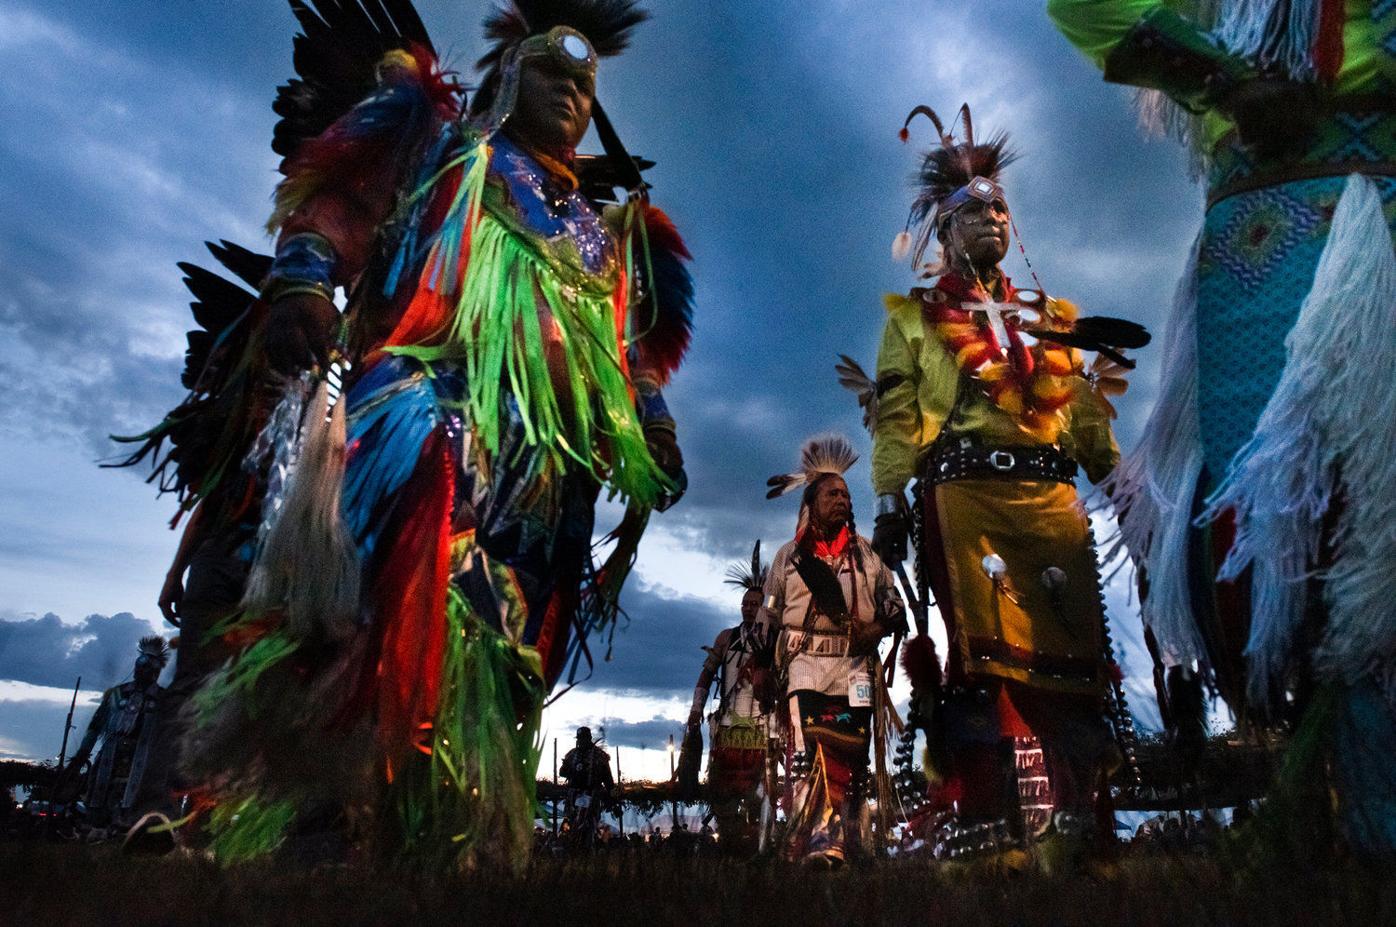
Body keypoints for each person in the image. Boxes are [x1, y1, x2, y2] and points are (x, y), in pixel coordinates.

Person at [122, 0, 693, 869]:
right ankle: (285, 800)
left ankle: (438, 833)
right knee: (385, 592)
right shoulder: (446, 158)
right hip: (436, 404)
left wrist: (653, 425)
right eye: (552, 73)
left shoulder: (601, 237)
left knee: (503, 642)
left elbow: (628, 353)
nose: (573, 91)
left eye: (586, 84)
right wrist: (304, 282)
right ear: (507, 78)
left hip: (544, 469)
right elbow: (341, 200)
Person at [1049, 0, 1396, 855]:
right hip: (1263, 247)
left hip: (1360, 216)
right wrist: (1223, 78)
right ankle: (1347, 809)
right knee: (1288, 544)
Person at [869, 105, 1144, 853]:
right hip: (965, 503)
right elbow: (894, 414)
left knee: (1075, 665)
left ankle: (1079, 822)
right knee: (980, 666)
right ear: (946, 233)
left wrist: (1127, 496)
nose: (989, 218)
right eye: (971, 212)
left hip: (1053, 504)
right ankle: (988, 819)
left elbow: (1086, 417)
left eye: (998, 208)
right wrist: (890, 499)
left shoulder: (1051, 316)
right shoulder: (916, 320)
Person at [759, 435, 906, 865]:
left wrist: (876, 628)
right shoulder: (788, 558)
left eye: (845, 493)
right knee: (809, 753)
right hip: (804, 663)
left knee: (850, 752)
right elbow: (768, 618)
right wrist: (763, 667)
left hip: (855, 667)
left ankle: (853, 840)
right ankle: (820, 839)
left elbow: (894, 607)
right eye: (831, 493)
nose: (841, 499)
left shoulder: (868, 557)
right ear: (812, 502)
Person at [681, 542, 773, 854]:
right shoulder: (727, 638)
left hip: (763, 726)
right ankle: (730, 843)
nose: (747, 608)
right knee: (723, 790)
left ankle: (754, 844)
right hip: (729, 725)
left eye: (754, 603)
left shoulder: (774, 640)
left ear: (764, 607)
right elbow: (707, 674)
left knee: (758, 789)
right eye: (744, 603)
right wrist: (696, 707)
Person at [65, 638, 169, 832]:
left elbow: (170, 735)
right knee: (100, 800)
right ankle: (97, 829)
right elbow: (95, 726)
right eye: (141, 666)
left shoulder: (163, 699)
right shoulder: (117, 694)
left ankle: (127, 831)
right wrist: (82, 754)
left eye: (150, 668)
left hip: (142, 761)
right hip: (110, 757)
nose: (143, 671)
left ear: (156, 672)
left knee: (134, 804)